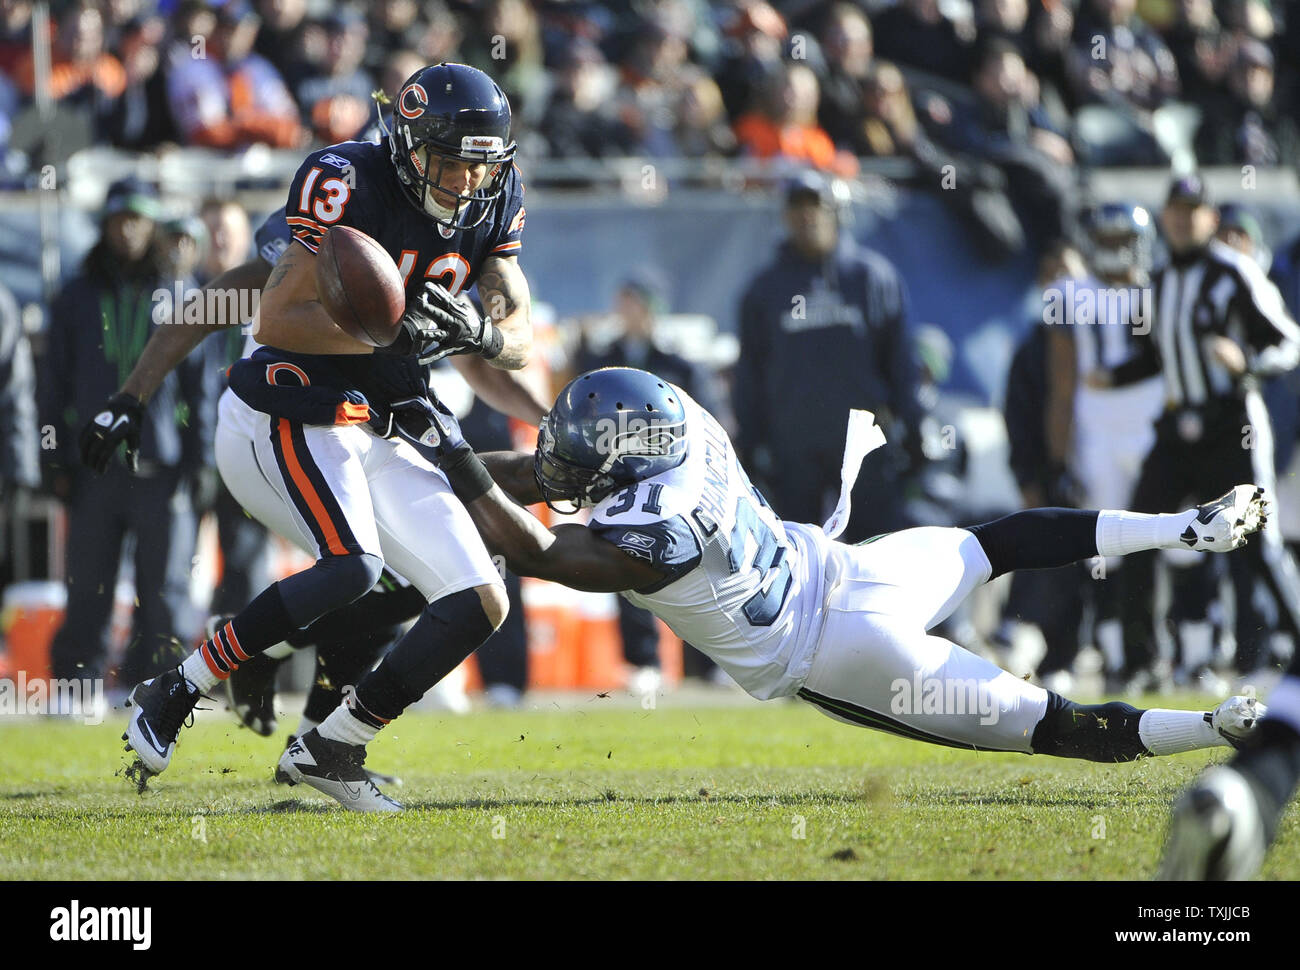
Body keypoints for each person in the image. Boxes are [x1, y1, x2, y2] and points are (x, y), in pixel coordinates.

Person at [412, 366, 1266, 766]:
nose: (567, 469)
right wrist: (445, 464)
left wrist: (446, 460)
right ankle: (1183, 526)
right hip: (857, 569)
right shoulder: (688, 426)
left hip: (839, 652)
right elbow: (542, 477)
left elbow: (534, 547)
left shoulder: (656, 533)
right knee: (997, 541)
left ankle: (1211, 729)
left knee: (1051, 726)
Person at [107, 63, 536, 813]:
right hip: (290, 405)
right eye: (449, 162)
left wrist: (489, 336)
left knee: (477, 596)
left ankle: (329, 742)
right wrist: (131, 395)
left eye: (479, 166)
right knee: (354, 568)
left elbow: (515, 323)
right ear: (407, 144)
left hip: (384, 416)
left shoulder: (494, 191)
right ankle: (181, 686)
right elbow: (268, 318)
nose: (466, 184)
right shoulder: (343, 183)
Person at [1087, 175, 1300, 683]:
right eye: (1176, 210)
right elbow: (1158, 358)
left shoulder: (1233, 271)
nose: (1184, 220)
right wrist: (1114, 377)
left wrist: (1245, 358)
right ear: (1165, 217)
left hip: (1231, 425)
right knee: (1133, 533)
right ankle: (1139, 661)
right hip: (1175, 427)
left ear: (1211, 217)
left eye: (1194, 210)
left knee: (1256, 541)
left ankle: (1288, 638)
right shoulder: (1159, 281)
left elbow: (1289, 342)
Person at [41, 177, 220, 692]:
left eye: (138, 220)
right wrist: (51, 455)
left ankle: (158, 689)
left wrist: (202, 461)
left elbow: (201, 388)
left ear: (154, 226)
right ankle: (78, 685)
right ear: (105, 225)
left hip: (161, 470)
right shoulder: (75, 296)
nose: (128, 230)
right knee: (88, 585)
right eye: (119, 219)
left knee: (164, 589)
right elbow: (52, 388)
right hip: (92, 470)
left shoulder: (182, 294)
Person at [734, 170, 924, 544]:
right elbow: (749, 375)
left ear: (837, 211)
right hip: (793, 451)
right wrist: (751, 444)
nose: (807, 217)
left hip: (865, 448)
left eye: (816, 206)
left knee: (875, 558)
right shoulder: (764, 290)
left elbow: (901, 363)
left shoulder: (872, 279)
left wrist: (914, 430)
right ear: (785, 217)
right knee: (795, 560)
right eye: (797, 208)